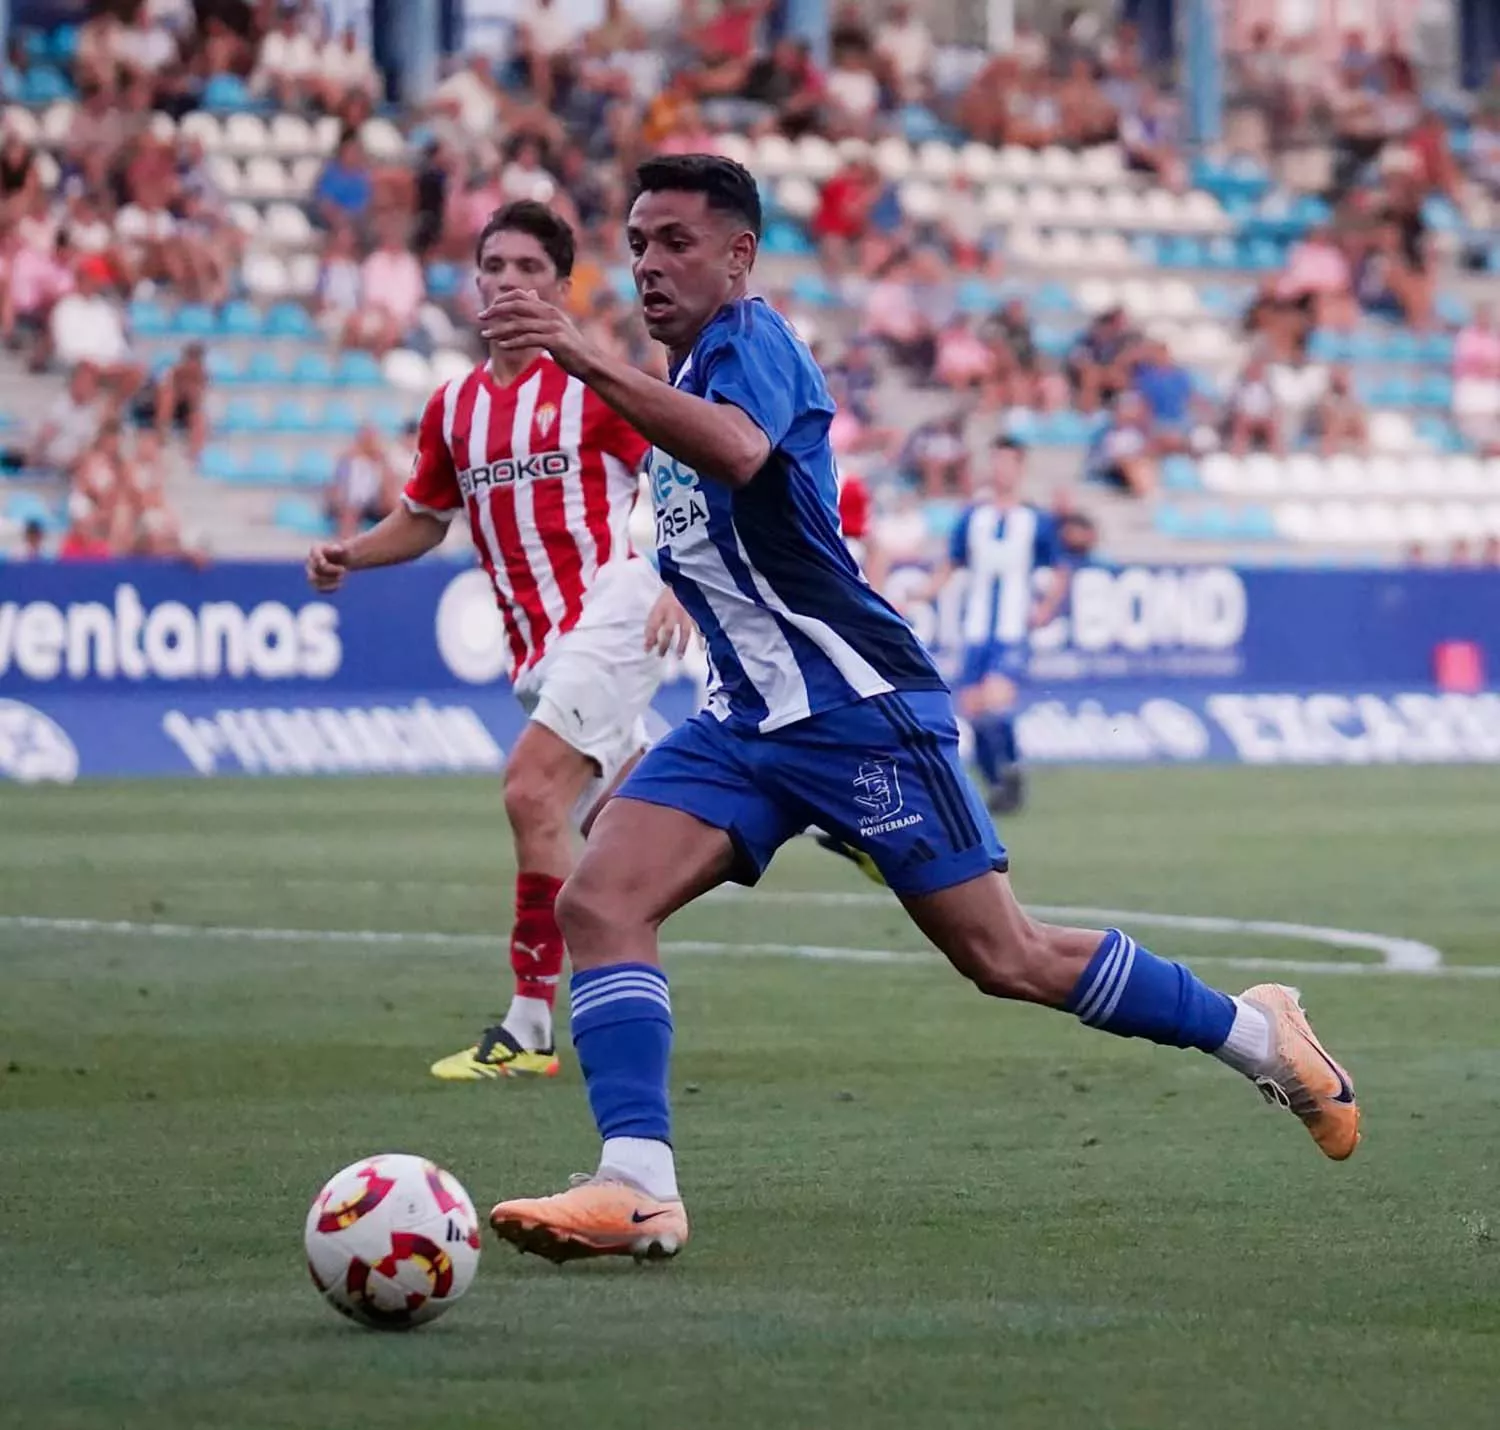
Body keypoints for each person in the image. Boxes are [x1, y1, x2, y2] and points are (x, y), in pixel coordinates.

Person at [479, 155, 1361, 1267]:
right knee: (602, 898)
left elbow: (741, 452)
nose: (650, 263)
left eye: (678, 243)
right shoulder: (688, 370)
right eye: (640, 243)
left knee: (1006, 955)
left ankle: (1257, 1033)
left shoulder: (755, 344)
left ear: (740, 256)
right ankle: (638, 1185)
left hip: (857, 710)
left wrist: (578, 353)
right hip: (744, 722)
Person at [306, 201, 693, 1082]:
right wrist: (349, 554)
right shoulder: (454, 407)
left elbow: (684, 473)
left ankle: (528, 1028)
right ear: (473, 282)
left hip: (614, 612)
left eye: (529, 268)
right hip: (539, 654)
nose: (509, 281)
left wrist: (678, 577)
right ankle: (815, 805)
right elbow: (425, 518)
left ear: (561, 288)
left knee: (529, 790)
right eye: (494, 265)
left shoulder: (595, 386)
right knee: (638, 826)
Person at [925, 437, 1069, 815]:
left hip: (1011, 631)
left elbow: (1059, 568)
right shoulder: (973, 517)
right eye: (996, 462)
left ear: (1020, 468)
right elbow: (952, 562)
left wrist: (1046, 608)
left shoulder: (1035, 520)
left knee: (995, 701)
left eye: (1007, 463)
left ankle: (1013, 769)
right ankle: (999, 784)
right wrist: (924, 593)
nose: (1000, 470)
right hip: (975, 631)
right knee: (973, 712)